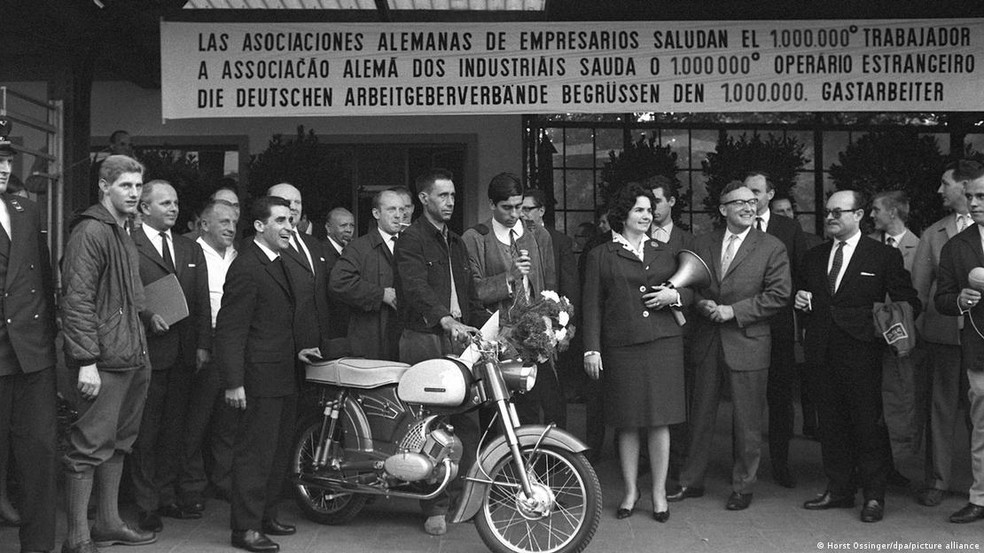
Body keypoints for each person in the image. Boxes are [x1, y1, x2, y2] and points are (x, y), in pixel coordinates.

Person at [796, 190, 920, 523]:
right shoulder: (814, 257)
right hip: (821, 351)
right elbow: (804, 296)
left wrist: (881, 324)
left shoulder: (882, 256)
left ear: (859, 214)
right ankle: (838, 490)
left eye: (839, 212)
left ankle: (874, 496)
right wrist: (802, 299)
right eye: (828, 212)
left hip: (863, 352)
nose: (831, 217)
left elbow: (910, 302)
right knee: (831, 425)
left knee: (867, 426)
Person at [669, 181, 791, 511]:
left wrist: (733, 311)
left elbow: (779, 295)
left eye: (753, 202)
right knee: (699, 417)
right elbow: (690, 284)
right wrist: (701, 304)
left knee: (748, 422)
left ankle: (743, 487)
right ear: (723, 209)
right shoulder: (702, 242)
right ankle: (690, 482)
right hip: (707, 340)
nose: (749, 208)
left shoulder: (772, 246)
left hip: (748, 342)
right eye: (740, 203)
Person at [61, 154, 157, 552]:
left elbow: (124, 295)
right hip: (103, 360)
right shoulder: (91, 231)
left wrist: (148, 315)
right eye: (125, 186)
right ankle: (77, 539)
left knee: (119, 443)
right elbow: (77, 298)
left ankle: (108, 523)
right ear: (104, 186)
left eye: (137, 186)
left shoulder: (122, 229)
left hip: (132, 355)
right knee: (87, 448)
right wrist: (86, 361)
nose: (134, 193)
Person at [215, 196, 321, 552]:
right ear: (259, 226)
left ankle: (265, 516)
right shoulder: (247, 266)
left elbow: (274, 321)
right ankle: (244, 528)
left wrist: (297, 350)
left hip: (284, 373)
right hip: (257, 379)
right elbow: (230, 329)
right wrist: (234, 382)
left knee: (276, 453)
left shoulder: (280, 262)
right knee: (254, 454)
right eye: (280, 221)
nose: (289, 227)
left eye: (291, 220)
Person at [582, 183, 693, 522]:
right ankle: (631, 490)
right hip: (622, 347)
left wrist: (674, 298)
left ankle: (659, 493)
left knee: (660, 422)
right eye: (640, 210)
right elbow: (592, 306)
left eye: (649, 209)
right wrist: (591, 349)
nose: (648, 215)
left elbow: (694, 290)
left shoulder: (665, 250)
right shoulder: (601, 254)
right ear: (623, 215)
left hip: (663, 343)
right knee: (627, 422)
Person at [393, 168, 480, 536]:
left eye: (454, 196)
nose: (450, 202)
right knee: (431, 425)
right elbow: (415, 289)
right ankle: (433, 505)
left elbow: (471, 297)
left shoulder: (457, 242)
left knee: (470, 423)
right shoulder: (410, 239)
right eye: (443, 196)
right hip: (426, 337)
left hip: (460, 340)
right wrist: (446, 321)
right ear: (424, 199)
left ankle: (461, 497)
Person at [129, 180, 211, 532]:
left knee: (173, 431)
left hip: (183, 353)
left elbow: (202, 302)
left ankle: (165, 495)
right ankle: (145, 504)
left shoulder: (188, 248)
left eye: (176, 202)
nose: (174, 209)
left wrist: (203, 345)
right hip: (148, 352)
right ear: (144, 208)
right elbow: (125, 297)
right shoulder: (128, 245)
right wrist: (147, 317)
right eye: (165, 203)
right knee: (146, 433)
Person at [0, 124, 59, 553]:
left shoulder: (25, 210)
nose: (3, 168)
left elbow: (45, 278)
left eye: (5, 159)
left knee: (39, 457)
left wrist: (53, 342)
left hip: (33, 356)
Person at [463, 174, 562, 427]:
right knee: (496, 413)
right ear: (491, 205)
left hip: (535, 338)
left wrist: (553, 325)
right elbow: (471, 293)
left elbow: (550, 287)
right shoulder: (475, 238)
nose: (515, 214)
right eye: (507, 207)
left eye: (519, 206)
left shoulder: (539, 235)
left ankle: (536, 463)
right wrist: (508, 277)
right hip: (496, 338)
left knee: (538, 408)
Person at [912, 160, 979, 507]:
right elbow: (919, 293)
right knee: (940, 410)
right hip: (943, 337)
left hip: (980, 337)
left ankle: (976, 485)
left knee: (979, 413)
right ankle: (937, 479)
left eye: (945, 184)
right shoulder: (933, 233)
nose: (940, 191)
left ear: (964, 185)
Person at [743, 171, 808, 489]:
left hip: (779, 325)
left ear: (770, 194)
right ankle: (742, 464)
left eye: (756, 191)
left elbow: (801, 273)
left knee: (780, 399)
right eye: (746, 191)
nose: (750, 197)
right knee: (745, 398)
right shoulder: (736, 223)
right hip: (742, 324)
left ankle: (781, 464)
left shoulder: (789, 228)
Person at [179, 200, 240, 506]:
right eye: (224, 222)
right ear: (204, 224)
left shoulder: (238, 254)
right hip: (203, 342)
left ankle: (223, 481)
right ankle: (191, 488)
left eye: (233, 222)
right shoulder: (188, 252)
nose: (230, 228)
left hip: (233, 344)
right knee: (196, 421)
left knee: (227, 421)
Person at [933, 167, 984, 524]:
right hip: (979, 348)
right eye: (971, 197)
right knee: (982, 428)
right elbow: (942, 298)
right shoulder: (957, 246)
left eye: (982, 197)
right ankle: (980, 497)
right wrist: (960, 301)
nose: (974, 203)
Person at [869, 190, 922, 487]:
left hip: (903, 341)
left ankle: (896, 464)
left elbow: (920, 294)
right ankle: (879, 465)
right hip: (870, 337)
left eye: (876, 209)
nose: (872, 215)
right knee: (873, 403)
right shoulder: (867, 246)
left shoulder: (920, 245)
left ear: (893, 212)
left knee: (900, 402)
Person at [521, 189, 581, 404]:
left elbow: (570, 287)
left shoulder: (560, 242)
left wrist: (566, 329)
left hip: (555, 326)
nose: (523, 215)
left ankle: (555, 437)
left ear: (542, 210)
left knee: (554, 394)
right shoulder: (515, 238)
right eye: (521, 209)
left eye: (528, 209)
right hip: (524, 328)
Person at [329, 189, 403, 360]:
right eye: (392, 210)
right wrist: (381, 294)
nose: (398, 215)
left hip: (404, 338)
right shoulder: (359, 248)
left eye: (402, 210)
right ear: (376, 213)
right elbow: (339, 283)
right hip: (371, 337)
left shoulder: (411, 246)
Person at [267, 183, 333, 357]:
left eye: (298, 202)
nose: (294, 207)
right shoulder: (264, 244)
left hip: (320, 345)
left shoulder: (314, 244)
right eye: (287, 201)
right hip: (285, 349)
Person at [323, 206, 355, 339]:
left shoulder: (354, 249)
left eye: (352, 225)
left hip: (352, 321)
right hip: (331, 321)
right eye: (343, 225)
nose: (348, 230)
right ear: (329, 228)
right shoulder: (320, 250)